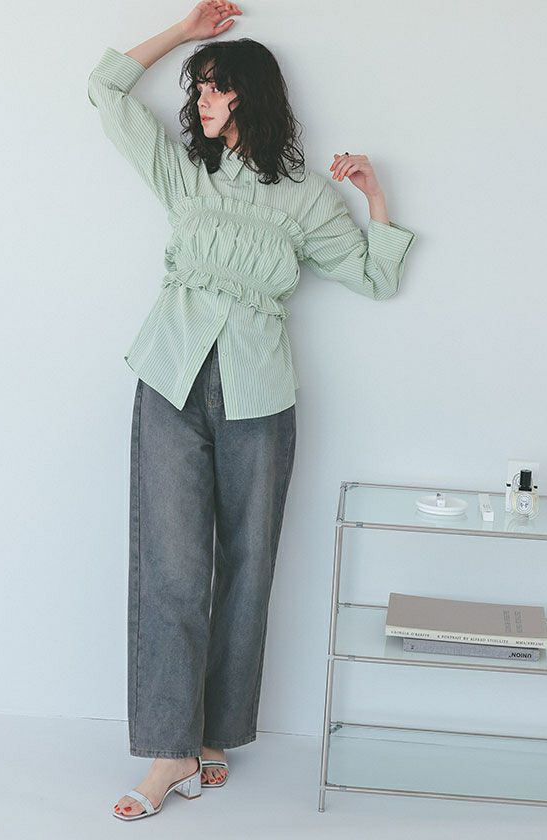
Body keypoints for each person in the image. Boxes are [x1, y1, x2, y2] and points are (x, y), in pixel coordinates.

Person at [87, 0, 417, 821]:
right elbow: (105, 90)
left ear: (251, 96)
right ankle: (169, 750)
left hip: (259, 392)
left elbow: (375, 278)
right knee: (169, 569)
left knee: (247, 567)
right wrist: (183, 33)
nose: (200, 98)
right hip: (170, 377)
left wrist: (375, 197)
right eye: (198, 87)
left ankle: (215, 734)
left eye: (215, 87)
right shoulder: (184, 173)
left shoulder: (304, 199)